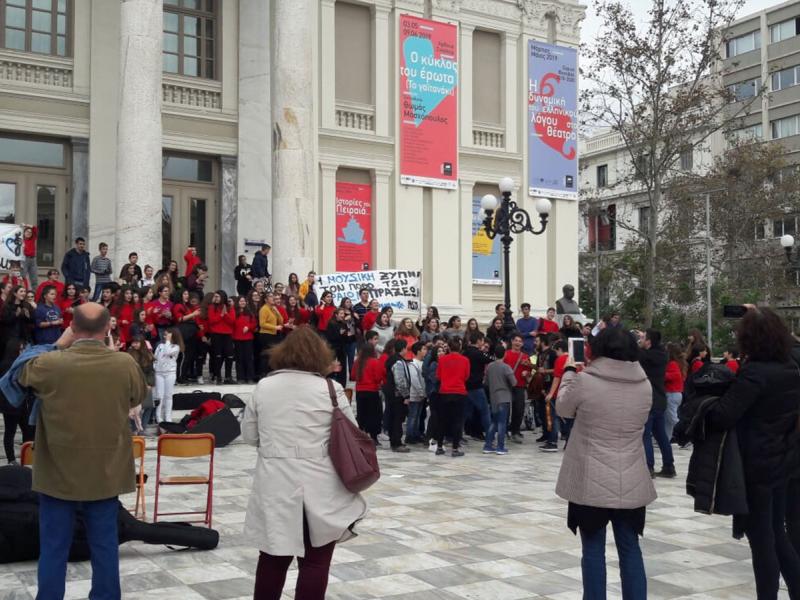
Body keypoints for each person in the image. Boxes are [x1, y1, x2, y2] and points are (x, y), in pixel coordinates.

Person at [10, 304, 146, 599]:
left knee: (54, 547)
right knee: (105, 545)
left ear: (72, 326)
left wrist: (58, 343)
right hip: (105, 471)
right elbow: (138, 396)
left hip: (58, 471)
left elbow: (15, 375)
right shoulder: (124, 364)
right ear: (109, 328)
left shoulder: (50, 363)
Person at [242, 326, 367, 600]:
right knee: (316, 562)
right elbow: (353, 435)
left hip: (276, 482)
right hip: (321, 485)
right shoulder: (331, 389)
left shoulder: (264, 387)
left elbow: (249, 436)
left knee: (273, 559)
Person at [555, 326, 656, 599]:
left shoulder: (585, 380)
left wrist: (568, 372)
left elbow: (562, 408)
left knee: (593, 550)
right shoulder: (645, 385)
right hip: (631, 478)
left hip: (591, 479)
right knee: (630, 548)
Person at [706, 307, 800, 598]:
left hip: (757, 463)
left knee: (762, 540)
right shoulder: (791, 368)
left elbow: (724, 414)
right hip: (784, 458)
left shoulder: (756, 373)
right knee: (778, 534)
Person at [638, 329, 674, 478]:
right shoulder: (662, 354)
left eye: (643, 337)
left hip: (649, 400)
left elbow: (635, 352)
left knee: (646, 435)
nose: (641, 339)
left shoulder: (648, 356)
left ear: (649, 341)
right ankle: (668, 466)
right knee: (661, 435)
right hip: (660, 399)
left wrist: (636, 342)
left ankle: (648, 467)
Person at [434, 337, 470, 457]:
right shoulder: (465, 360)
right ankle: (455, 448)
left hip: (444, 392)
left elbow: (438, 376)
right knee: (457, 421)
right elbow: (466, 376)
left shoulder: (442, 359)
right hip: (459, 392)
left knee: (442, 421)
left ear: (448, 347)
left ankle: (439, 446)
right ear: (460, 347)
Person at [483, 344, 516, 455]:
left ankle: (488, 445)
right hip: (504, 397)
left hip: (493, 397)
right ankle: (500, 447)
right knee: (502, 423)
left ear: (494, 354)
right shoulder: (506, 367)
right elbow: (514, 382)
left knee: (494, 422)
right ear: (505, 354)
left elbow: (486, 382)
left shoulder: (489, 367)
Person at [352, 333, 384, 444]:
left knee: (361, 413)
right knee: (374, 414)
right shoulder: (375, 362)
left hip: (360, 391)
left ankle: (361, 434)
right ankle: (373, 437)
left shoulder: (358, 362)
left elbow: (352, 376)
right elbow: (378, 377)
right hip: (372, 390)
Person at [463, 331, 493, 441]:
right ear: (479, 341)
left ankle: (456, 435)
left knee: (465, 412)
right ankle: (489, 435)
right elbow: (491, 359)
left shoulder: (465, 352)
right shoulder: (478, 353)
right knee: (485, 411)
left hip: (465, 386)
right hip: (476, 386)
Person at [503, 333, 532, 444]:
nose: (518, 343)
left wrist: (527, 372)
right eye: (516, 340)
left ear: (522, 343)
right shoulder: (506, 354)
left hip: (520, 385)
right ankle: (504, 430)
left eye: (520, 341)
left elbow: (531, 371)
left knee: (519, 409)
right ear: (512, 341)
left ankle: (515, 431)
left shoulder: (525, 356)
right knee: (505, 409)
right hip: (507, 385)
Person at [542, 339, 569, 452]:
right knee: (568, 420)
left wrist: (551, 393)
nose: (556, 354)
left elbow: (557, 377)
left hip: (559, 393)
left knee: (553, 418)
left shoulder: (561, 359)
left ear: (560, 349)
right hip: (571, 393)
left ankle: (552, 442)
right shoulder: (574, 359)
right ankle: (569, 443)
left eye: (556, 351)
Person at [154, 327, 183, 423]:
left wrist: (168, 341)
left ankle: (168, 417)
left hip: (170, 373)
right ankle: (158, 417)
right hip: (159, 373)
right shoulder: (160, 346)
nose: (164, 336)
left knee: (168, 396)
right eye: (165, 334)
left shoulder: (176, 347)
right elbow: (155, 357)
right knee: (159, 396)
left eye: (166, 334)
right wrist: (155, 366)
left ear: (172, 335)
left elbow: (167, 352)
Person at [207, 291, 235, 384]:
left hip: (227, 334)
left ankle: (228, 376)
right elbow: (211, 321)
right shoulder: (212, 307)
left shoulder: (229, 307)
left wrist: (226, 314)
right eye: (215, 296)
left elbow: (232, 321)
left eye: (217, 296)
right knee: (217, 356)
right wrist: (221, 315)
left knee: (229, 355)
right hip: (216, 334)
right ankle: (218, 376)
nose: (215, 298)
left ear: (222, 297)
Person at [404, 341, 428, 444]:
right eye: (424, 349)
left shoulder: (424, 363)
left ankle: (416, 434)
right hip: (415, 394)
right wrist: (421, 391)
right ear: (418, 351)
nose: (426, 351)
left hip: (422, 394)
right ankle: (409, 436)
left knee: (418, 416)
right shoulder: (412, 364)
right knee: (413, 416)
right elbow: (414, 380)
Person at [256, 292, 284, 376]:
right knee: (266, 354)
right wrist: (275, 327)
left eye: (273, 296)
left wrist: (277, 312)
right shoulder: (264, 309)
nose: (273, 298)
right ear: (265, 300)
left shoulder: (273, 308)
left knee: (272, 354)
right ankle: (264, 373)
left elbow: (281, 321)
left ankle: (271, 372)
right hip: (266, 334)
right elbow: (262, 324)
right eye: (271, 297)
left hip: (273, 334)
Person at [664, 342, 686, 441]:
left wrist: (662, 374)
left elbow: (674, 376)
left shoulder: (672, 364)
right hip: (676, 393)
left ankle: (685, 434)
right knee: (668, 419)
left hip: (672, 393)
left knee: (672, 418)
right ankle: (666, 438)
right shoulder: (678, 363)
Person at [233, 295, 257, 383]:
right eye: (241, 301)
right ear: (238, 303)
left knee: (249, 358)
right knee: (239, 358)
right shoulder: (234, 312)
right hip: (237, 338)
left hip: (248, 338)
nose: (242, 303)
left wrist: (249, 327)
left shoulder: (250, 313)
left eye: (244, 301)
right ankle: (240, 377)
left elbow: (254, 324)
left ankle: (250, 377)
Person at [21, 223, 38, 289]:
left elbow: (35, 229)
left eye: (30, 232)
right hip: (24, 259)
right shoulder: (20, 240)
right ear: (24, 232)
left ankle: (35, 295)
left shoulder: (32, 239)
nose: (29, 233)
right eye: (27, 231)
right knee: (22, 277)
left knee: (34, 278)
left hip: (32, 260)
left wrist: (26, 225)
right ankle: (22, 292)